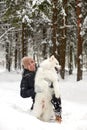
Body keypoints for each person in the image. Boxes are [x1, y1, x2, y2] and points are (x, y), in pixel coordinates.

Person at [20, 56, 62, 122]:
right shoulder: (26, 77)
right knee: (38, 117)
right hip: (38, 100)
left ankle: (58, 114)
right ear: (25, 67)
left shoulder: (41, 69)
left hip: (49, 98)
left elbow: (54, 77)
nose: (31, 64)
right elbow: (23, 94)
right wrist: (35, 90)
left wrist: (51, 83)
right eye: (28, 64)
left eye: (32, 62)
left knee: (56, 94)